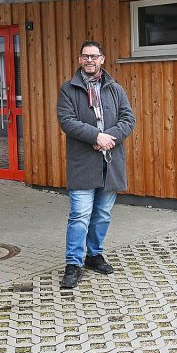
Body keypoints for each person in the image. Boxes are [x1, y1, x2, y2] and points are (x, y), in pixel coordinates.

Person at [56, 40, 135, 289]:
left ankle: (93, 255)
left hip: (110, 162)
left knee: (102, 214)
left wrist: (109, 137)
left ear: (102, 59)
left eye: (94, 56)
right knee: (79, 215)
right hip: (83, 163)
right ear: (80, 60)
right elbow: (66, 121)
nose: (89, 60)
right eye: (85, 56)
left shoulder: (115, 89)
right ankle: (73, 264)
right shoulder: (68, 89)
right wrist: (95, 136)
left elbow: (128, 118)